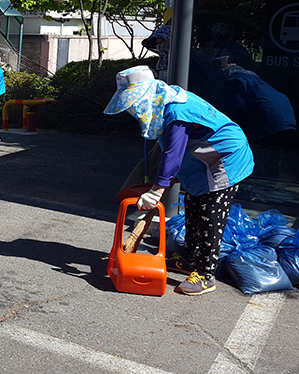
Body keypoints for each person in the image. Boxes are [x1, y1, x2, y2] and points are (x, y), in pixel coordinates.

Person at [104, 65, 254, 296]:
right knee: (194, 206)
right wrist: (161, 183)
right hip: (203, 159)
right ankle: (189, 258)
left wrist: (157, 190)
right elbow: (172, 151)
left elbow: (172, 154)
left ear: (146, 96)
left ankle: (205, 275)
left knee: (210, 217)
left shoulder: (175, 111)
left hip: (227, 156)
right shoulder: (163, 100)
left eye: (134, 104)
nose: (133, 110)